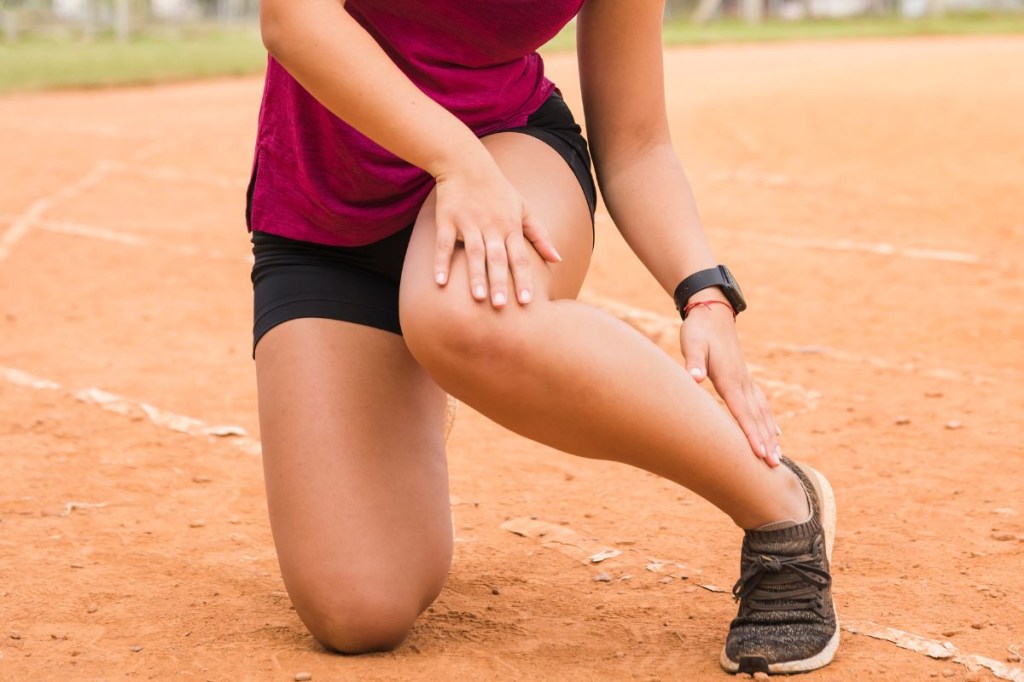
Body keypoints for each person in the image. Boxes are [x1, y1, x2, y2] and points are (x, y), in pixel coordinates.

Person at [247, 0, 838, 674]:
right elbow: (295, 20)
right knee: (358, 610)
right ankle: (415, 360)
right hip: (327, 217)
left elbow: (638, 142)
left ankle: (784, 509)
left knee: (466, 314)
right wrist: (453, 162)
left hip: (509, 155)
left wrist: (703, 290)